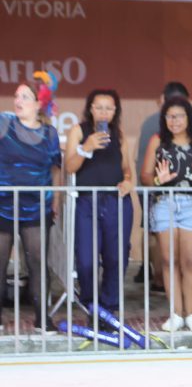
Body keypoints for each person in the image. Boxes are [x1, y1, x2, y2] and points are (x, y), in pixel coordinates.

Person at [140, 97, 192, 332]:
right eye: (170, 116)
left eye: (179, 116)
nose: (174, 121)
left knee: (191, 261)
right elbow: (144, 176)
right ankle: (176, 313)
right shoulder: (157, 141)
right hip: (164, 204)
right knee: (168, 260)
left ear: (189, 118)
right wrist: (157, 180)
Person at [0, 74, 63, 331]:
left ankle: (42, 319)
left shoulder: (50, 133)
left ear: (39, 104)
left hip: (37, 207)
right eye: (16, 96)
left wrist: (57, 198)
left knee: (37, 264)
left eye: (25, 96)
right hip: (2, 205)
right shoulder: (4, 123)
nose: (18, 100)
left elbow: (56, 170)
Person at [65, 89, 134, 316]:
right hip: (86, 202)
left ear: (115, 112)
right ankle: (90, 303)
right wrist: (86, 148)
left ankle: (109, 307)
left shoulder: (120, 135)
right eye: (99, 107)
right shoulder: (79, 131)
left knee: (116, 257)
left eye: (109, 108)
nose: (104, 112)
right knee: (85, 259)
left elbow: (127, 171)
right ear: (91, 109)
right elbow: (69, 167)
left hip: (116, 202)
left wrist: (127, 182)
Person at [135, 82, 189, 288]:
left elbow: (137, 159)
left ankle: (150, 270)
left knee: (151, 229)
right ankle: (158, 276)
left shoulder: (150, 122)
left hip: (151, 185)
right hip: (156, 186)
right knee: (156, 232)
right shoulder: (156, 124)